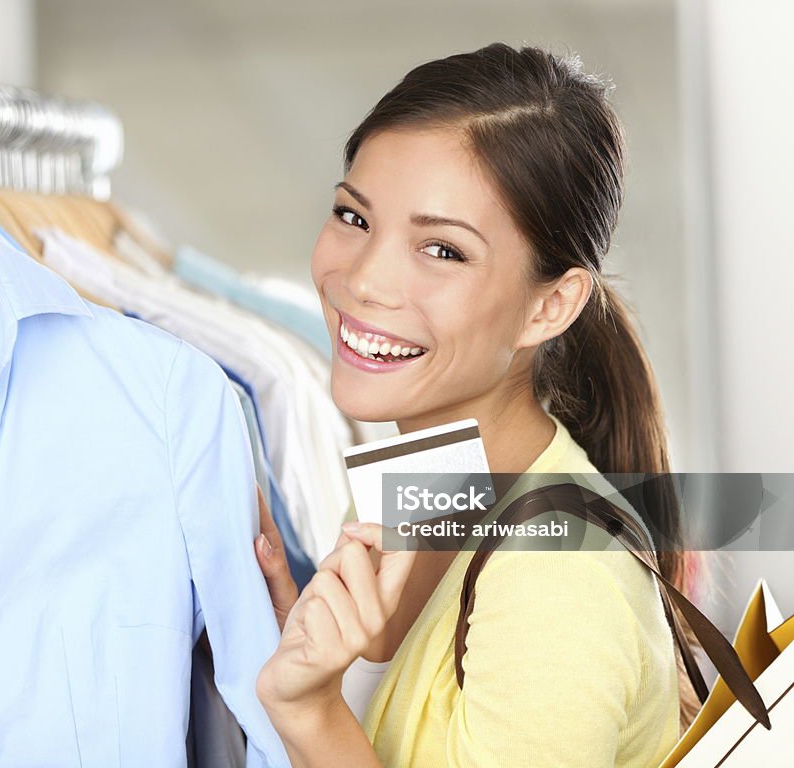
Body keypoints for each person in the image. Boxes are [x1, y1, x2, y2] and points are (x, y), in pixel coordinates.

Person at [252, 43, 698, 767]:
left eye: (444, 251)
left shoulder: (558, 580)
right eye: (353, 216)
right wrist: (306, 658)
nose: (364, 281)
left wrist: (308, 711)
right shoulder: (415, 488)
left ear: (549, 306)